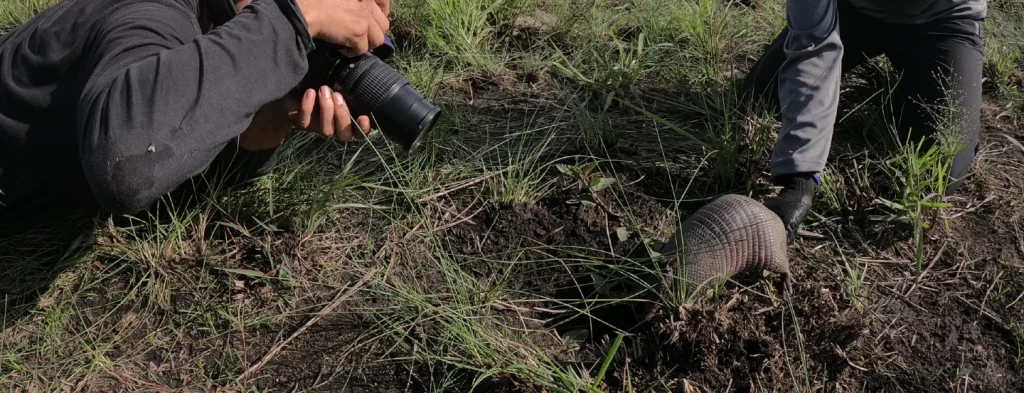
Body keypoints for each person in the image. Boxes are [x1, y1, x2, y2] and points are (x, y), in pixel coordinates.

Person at [0, 0, 390, 227]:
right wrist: (297, 20)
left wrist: (267, 125)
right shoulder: (150, 15)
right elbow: (127, 166)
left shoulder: (196, 23)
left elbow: (171, 177)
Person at [742, 0, 986, 243]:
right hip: (851, 10)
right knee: (759, 99)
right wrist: (800, 174)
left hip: (943, 18)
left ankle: (915, 82)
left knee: (939, 169)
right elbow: (812, 42)